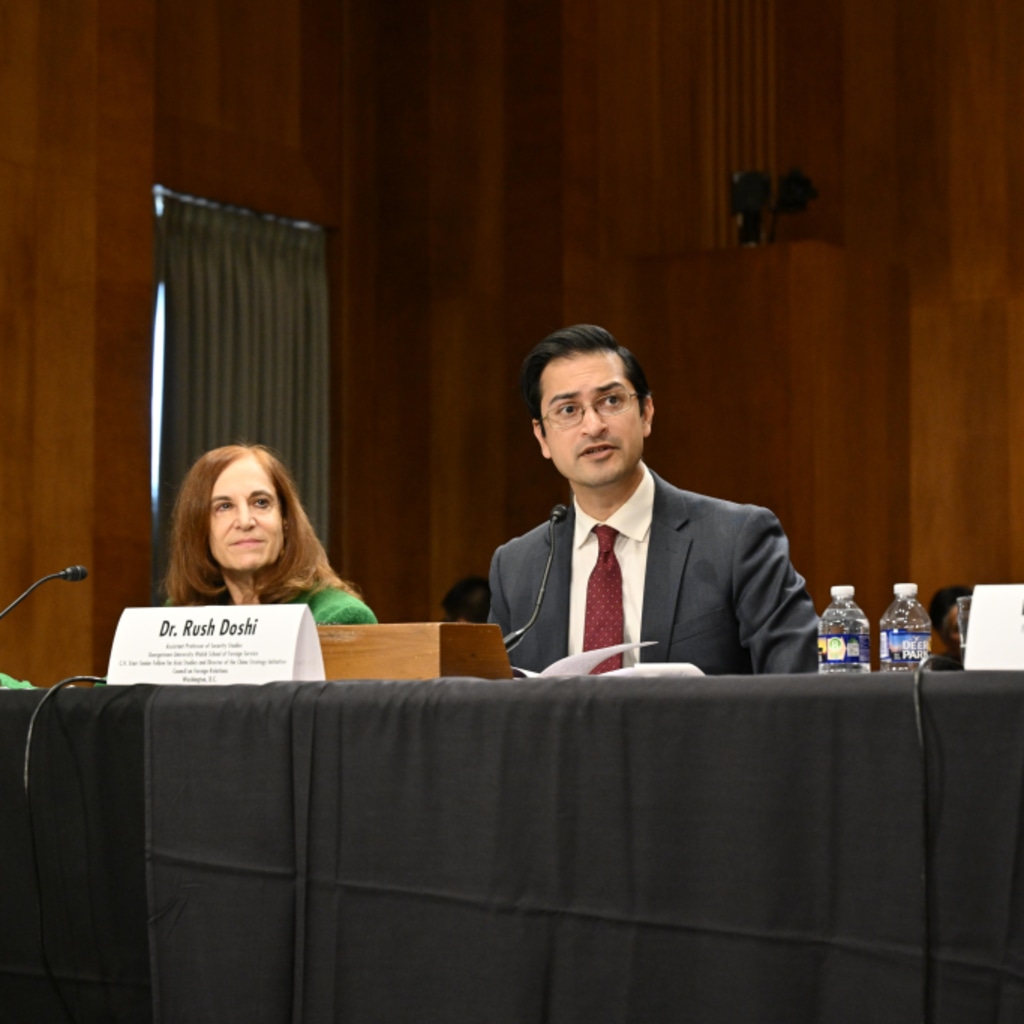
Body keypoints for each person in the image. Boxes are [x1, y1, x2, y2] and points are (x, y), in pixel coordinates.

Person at [488, 324, 818, 675]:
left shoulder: (736, 540)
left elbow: (798, 683)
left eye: (611, 401)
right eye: (568, 410)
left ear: (646, 413)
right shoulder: (515, 568)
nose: (594, 425)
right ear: (541, 436)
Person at [164, 443, 376, 625]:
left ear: (285, 521)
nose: (245, 521)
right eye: (225, 506)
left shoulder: (337, 616)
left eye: (261, 503)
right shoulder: (178, 616)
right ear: (198, 528)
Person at [929, 585, 972, 663]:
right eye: (960, 629)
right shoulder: (935, 671)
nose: (970, 634)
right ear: (943, 635)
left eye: (972, 625)